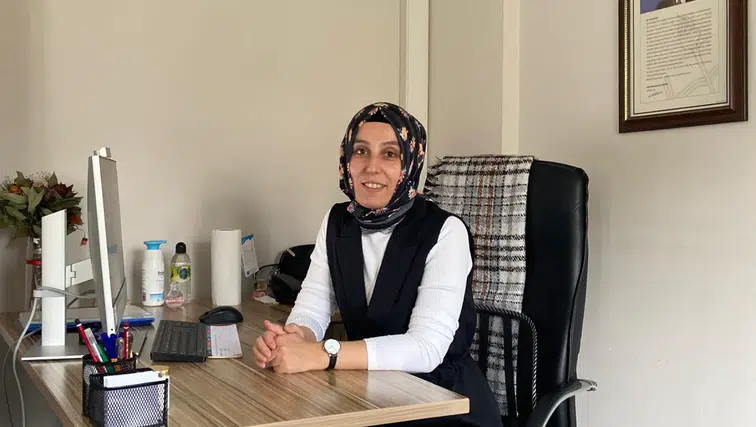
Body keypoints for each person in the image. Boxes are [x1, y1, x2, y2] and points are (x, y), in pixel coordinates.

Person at [254, 102, 503, 427]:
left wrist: (322, 353)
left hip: (442, 403)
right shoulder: (337, 222)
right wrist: (293, 337)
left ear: (410, 164)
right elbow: (312, 308)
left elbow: (426, 349)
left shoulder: (445, 232)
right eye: (361, 151)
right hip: (367, 392)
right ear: (347, 160)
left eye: (389, 154)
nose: (372, 167)